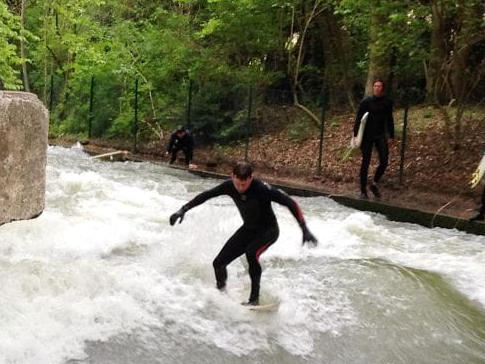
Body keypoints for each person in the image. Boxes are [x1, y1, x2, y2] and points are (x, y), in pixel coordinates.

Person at [168, 161, 317, 306]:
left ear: (251, 178)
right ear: (232, 176)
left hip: (268, 230)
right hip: (249, 229)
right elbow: (206, 195)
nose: (240, 188)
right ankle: (221, 293)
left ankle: (254, 299)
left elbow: (290, 202)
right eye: (237, 183)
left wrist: (304, 229)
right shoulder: (229, 186)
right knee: (218, 263)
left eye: (244, 184)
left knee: (251, 253)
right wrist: (183, 209)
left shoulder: (262, 188)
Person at [353, 79, 395, 199]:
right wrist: (356, 135)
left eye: (379, 86)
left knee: (384, 161)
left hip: (380, 134)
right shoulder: (366, 101)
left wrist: (391, 135)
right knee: (365, 161)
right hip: (367, 135)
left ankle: (374, 183)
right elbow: (359, 118)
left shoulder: (387, 102)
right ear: (373, 87)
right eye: (375, 86)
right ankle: (362, 190)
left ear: (382, 88)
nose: (377, 88)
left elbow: (389, 119)